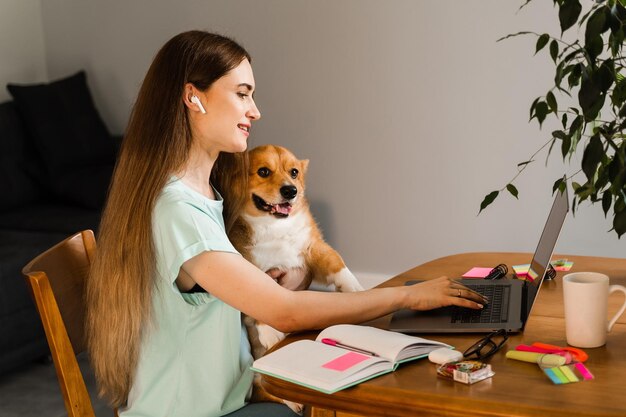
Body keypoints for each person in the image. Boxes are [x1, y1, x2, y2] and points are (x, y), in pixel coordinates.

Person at [85, 30, 487, 417]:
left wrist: (286, 278)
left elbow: (243, 295)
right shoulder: (175, 209)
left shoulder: (204, 194)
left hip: (231, 396)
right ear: (193, 96)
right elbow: (285, 313)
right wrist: (406, 297)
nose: (255, 111)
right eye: (242, 93)